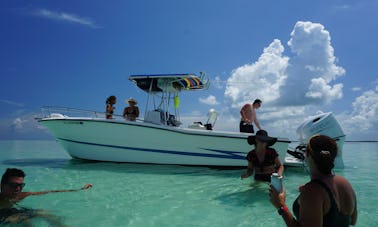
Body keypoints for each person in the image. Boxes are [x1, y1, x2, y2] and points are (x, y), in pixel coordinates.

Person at [269, 135, 358, 226]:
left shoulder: (312, 191)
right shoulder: (345, 183)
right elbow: (352, 221)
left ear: (307, 155)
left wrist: (281, 205)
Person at [0, 168, 92, 225]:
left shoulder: (21, 195)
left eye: (21, 185)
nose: (18, 188)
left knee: (42, 212)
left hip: (14, 211)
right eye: (14, 185)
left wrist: (80, 189)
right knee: (23, 220)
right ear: (2, 185)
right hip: (3, 215)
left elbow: (49, 192)